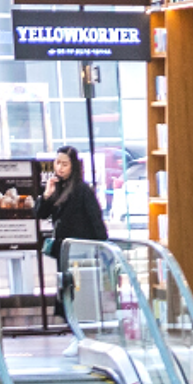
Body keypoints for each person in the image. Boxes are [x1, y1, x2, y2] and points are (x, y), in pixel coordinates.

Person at [39, 146, 109, 357]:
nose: (59, 168)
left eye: (65, 164)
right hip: (65, 251)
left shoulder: (82, 190)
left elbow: (96, 219)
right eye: (57, 163)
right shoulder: (58, 188)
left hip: (81, 252)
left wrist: (102, 248)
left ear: (73, 166)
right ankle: (77, 334)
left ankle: (82, 336)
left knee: (79, 292)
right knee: (67, 291)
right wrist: (47, 194)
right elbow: (41, 214)